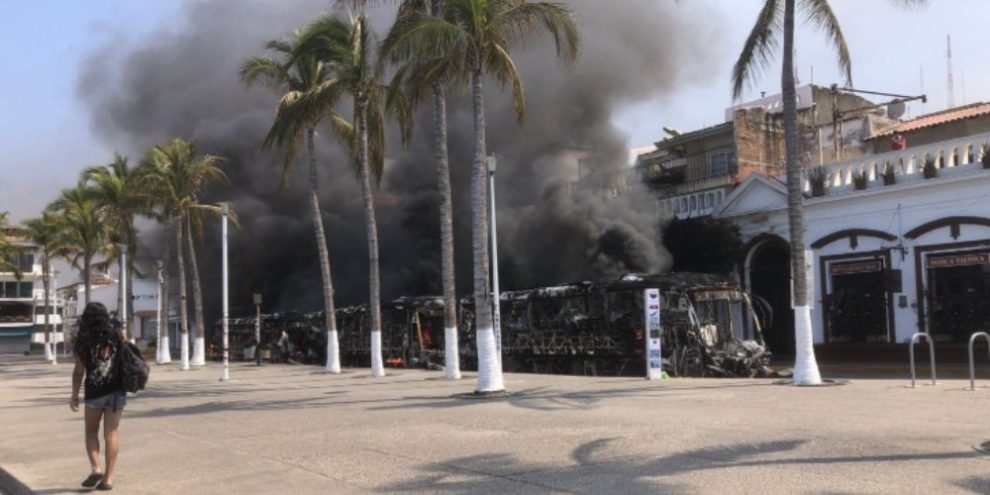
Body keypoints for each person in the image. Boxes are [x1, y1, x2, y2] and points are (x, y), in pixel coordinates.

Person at [70, 302, 126, 491]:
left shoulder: (82, 340)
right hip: (116, 390)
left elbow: (78, 371)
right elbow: (126, 352)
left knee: (91, 431)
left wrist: (74, 395)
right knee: (111, 433)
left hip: (94, 392)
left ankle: (96, 468)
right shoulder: (116, 334)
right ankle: (108, 479)